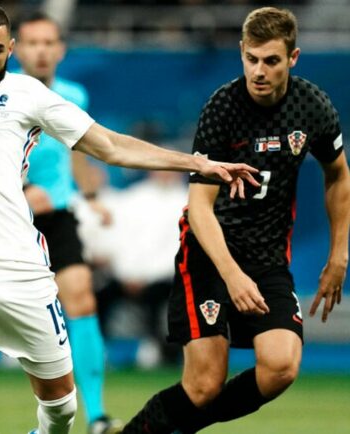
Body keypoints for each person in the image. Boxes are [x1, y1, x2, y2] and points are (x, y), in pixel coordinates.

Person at [0, 2, 256, 434]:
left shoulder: (29, 95)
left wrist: (197, 163)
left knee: (61, 408)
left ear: (11, 48)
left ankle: (76, 417)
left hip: (21, 272)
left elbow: (110, 146)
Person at [121, 7, 349, 434]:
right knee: (204, 386)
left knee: (281, 366)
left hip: (266, 259)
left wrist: (338, 255)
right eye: (252, 59)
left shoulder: (313, 107)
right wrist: (232, 276)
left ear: (293, 58)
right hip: (208, 255)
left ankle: (169, 425)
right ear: (242, 52)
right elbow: (200, 207)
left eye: (272, 61)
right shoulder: (223, 109)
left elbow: (338, 174)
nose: (259, 71)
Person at [14, 12, 118, 434]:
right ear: (17, 49)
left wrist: (91, 196)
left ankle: (95, 414)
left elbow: (76, 150)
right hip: (7, 220)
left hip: (55, 217)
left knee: (81, 299)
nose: (41, 50)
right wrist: (18, 197)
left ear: (60, 49)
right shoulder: (1, 95)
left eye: (48, 42)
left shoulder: (73, 95)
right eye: (32, 42)